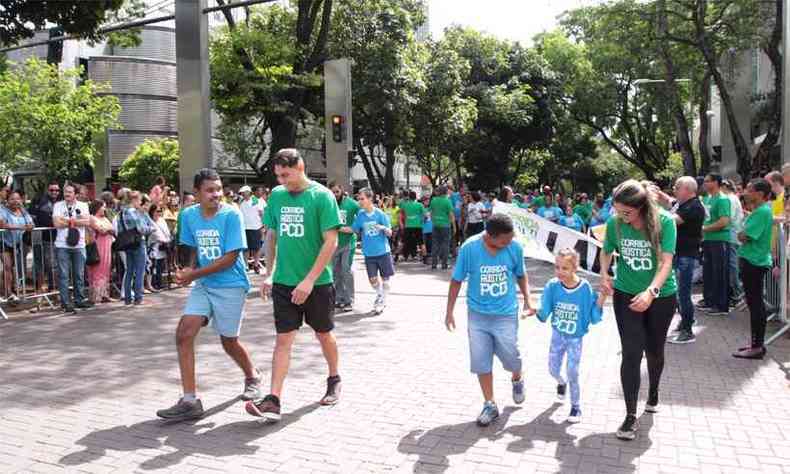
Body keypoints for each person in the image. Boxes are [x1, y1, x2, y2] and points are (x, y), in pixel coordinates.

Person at [156, 168, 260, 422]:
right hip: (204, 285)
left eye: (219, 189)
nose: (216, 194)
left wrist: (193, 274)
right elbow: (190, 247)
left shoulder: (231, 215)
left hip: (231, 284)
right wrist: (187, 269)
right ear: (197, 193)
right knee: (184, 333)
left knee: (229, 341)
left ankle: (252, 376)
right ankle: (190, 400)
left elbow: (231, 257)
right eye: (210, 190)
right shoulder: (189, 215)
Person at [247, 148, 342, 422]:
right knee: (283, 340)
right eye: (278, 175)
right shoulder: (277, 197)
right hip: (284, 284)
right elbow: (273, 236)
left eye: (285, 174)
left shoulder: (322, 196)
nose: (281, 181)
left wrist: (309, 280)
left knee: (323, 334)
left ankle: (334, 377)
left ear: (300, 167)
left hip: (317, 283)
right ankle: (273, 400)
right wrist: (269, 272)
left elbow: (331, 241)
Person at [600, 179, 677, 441]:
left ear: (642, 207)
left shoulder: (665, 222)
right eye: (618, 210)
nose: (621, 217)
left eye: (627, 212)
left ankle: (653, 391)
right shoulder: (615, 223)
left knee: (654, 352)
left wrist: (651, 292)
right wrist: (604, 274)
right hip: (626, 295)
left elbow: (666, 262)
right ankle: (630, 416)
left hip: (661, 296)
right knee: (631, 354)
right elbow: (606, 249)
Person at [445, 213, 535, 426]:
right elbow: (456, 280)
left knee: (512, 357)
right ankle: (490, 403)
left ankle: (517, 378)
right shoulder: (469, 248)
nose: (509, 243)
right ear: (490, 236)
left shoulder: (515, 248)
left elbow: (521, 274)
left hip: (505, 314)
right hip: (478, 316)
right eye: (504, 240)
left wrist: (528, 300)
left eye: (511, 238)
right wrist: (449, 311)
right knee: (481, 360)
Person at [533, 248, 606, 424]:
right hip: (557, 336)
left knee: (573, 372)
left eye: (564, 268)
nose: (559, 272)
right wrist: (534, 310)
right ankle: (561, 383)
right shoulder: (552, 286)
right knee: (553, 369)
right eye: (557, 267)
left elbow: (593, 314)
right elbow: (545, 309)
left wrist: (603, 296)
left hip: (575, 338)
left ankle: (575, 406)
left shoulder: (584, 288)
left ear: (575, 268)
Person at [733, 179, 774, 359]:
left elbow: (745, 236)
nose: (745, 193)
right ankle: (755, 344)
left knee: (756, 304)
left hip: (754, 261)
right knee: (754, 303)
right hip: (753, 260)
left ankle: (757, 346)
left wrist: (742, 231)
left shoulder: (762, 212)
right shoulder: (760, 211)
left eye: (749, 190)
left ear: (759, 194)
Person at [667, 177, 705, 344]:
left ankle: (687, 330)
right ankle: (685, 321)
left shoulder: (694, 207)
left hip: (686, 255)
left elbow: (671, 221)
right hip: (680, 254)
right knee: (680, 293)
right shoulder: (684, 204)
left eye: (677, 187)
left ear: (688, 190)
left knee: (683, 294)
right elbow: (669, 202)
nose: (674, 190)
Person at [351, 188, 395, 314]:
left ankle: (381, 300)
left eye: (362, 199)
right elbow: (354, 229)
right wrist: (336, 228)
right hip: (369, 253)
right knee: (373, 280)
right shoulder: (360, 215)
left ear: (370, 199)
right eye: (359, 199)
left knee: (385, 280)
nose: (360, 201)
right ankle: (380, 295)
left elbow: (390, 232)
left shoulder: (380, 214)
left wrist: (383, 228)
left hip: (383, 252)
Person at [53, 184, 93, 313]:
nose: (67, 194)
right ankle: (65, 303)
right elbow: (56, 223)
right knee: (63, 275)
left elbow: (87, 222)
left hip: (79, 244)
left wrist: (67, 221)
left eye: (70, 192)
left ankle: (79, 300)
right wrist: (76, 221)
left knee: (79, 274)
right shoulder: (58, 205)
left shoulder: (83, 205)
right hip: (62, 245)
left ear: (76, 194)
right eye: (65, 192)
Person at [698, 174, 731, 316]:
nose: (704, 183)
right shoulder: (708, 198)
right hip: (709, 240)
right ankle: (710, 300)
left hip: (720, 240)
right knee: (709, 271)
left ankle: (721, 305)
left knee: (720, 273)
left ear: (716, 183)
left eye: (707, 181)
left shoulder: (723, 199)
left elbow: (724, 221)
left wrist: (704, 229)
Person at [330, 182, 360, 312]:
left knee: (346, 270)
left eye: (337, 191)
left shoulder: (351, 203)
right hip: (333, 243)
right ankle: (338, 298)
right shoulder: (328, 203)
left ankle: (349, 300)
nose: (335, 194)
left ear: (341, 191)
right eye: (332, 192)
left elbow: (363, 213)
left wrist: (354, 228)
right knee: (335, 272)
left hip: (348, 242)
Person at [118, 191, 152, 305]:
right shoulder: (133, 212)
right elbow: (141, 229)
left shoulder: (121, 212)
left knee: (129, 270)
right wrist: (150, 229)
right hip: (138, 242)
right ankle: (138, 297)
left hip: (127, 243)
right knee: (140, 270)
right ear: (134, 200)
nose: (140, 203)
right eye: (139, 200)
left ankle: (128, 298)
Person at [0, 190, 34, 303]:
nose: (15, 201)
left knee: (12, 268)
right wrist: (21, 226)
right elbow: (3, 224)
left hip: (17, 243)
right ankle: (8, 292)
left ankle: (10, 290)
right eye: (12, 199)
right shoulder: (3, 209)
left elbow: (31, 224)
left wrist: (29, 225)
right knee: (7, 266)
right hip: (3, 242)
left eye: (18, 199)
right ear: (7, 200)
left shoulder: (22, 210)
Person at [29, 181, 60, 293]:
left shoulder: (60, 203)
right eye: (52, 190)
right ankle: (39, 288)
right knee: (39, 263)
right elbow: (32, 216)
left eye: (57, 190)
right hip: (39, 236)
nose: (54, 192)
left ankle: (53, 288)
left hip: (53, 238)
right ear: (48, 190)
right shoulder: (39, 200)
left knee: (52, 264)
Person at [86, 200, 115, 304]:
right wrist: (107, 229)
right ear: (97, 207)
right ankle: (95, 295)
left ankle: (104, 294)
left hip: (107, 246)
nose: (104, 209)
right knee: (97, 270)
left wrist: (107, 229)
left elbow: (112, 229)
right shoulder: (92, 218)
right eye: (103, 207)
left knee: (106, 269)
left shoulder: (105, 218)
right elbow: (101, 230)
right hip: (97, 245)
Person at [722, 180, 744, 308]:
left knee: (732, 264)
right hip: (733, 234)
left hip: (731, 235)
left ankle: (735, 294)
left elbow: (727, 218)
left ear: (725, 187)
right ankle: (735, 293)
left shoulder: (729, 199)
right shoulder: (733, 198)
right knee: (732, 264)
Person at [239, 185, 265, 273]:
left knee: (256, 248)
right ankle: (246, 265)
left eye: (244, 193)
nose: (243, 194)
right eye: (242, 193)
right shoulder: (241, 202)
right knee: (245, 248)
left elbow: (261, 213)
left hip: (256, 227)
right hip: (244, 227)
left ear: (249, 193)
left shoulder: (256, 201)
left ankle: (256, 265)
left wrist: (264, 225)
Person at [429, 185, 456, 270]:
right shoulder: (447, 201)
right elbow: (451, 215)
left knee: (435, 244)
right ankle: (444, 264)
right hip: (445, 225)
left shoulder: (433, 200)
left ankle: (434, 264)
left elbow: (431, 212)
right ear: (445, 192)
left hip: (436, 225)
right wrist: (454, 226)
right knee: (445, 244)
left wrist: (434, 221)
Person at [148, 204, 172, 290]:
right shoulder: (150, 221)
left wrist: (167, 240)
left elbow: (167, 231)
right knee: (154, 265)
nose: (159, 213)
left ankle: (160, 282)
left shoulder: (162, 220)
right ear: (152, 212)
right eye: (157, 211)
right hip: (154, 246)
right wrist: (161, 240)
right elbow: (154, 234)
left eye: (160, 211)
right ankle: (154, 283)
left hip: (163, 245)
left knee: (161, 265)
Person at [400, 190, 424, 262]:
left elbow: (401, 214)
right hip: (418, 226)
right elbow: (425, 215)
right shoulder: (420, 205)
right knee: (420, 242)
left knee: (404, 241)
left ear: (409, 197)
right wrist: (421, 221)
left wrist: (402, 222)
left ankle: (399, 256)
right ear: (415, 197)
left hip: (408, 226)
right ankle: (424, 257)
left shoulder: (405, 205)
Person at [421, 195, 433, 265]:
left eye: (428, 201)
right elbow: (421, 219)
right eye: (426, 201)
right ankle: (425, 259)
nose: (428, 202)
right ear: (423, 201)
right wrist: (424, 218)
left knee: (430, 244)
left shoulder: (430, 209)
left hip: (431, 229)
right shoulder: (421, 208)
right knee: (424, 244)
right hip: (424, 229)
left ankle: (429, 258)